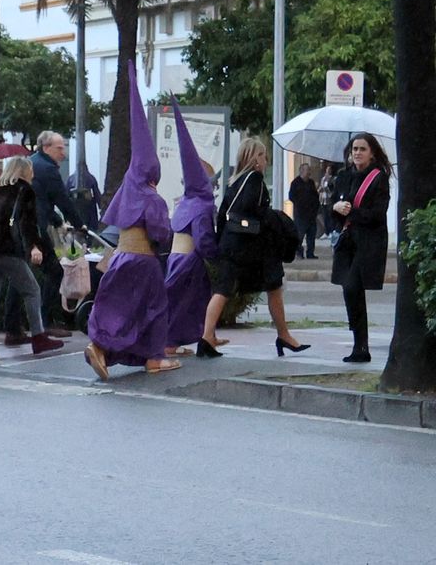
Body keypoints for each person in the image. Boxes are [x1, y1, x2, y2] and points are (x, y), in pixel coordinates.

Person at [84, 63, 179, 380]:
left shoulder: (126, 192)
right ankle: (153, 358)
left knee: (117, 306)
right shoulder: (152, 198)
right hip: (143, 261)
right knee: (154, 309)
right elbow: (161, 233)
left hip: (120, 258)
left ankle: (101, 346)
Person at [201, 138, 309, 357]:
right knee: (274, 286)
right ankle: (283, 335)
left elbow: (223, 215)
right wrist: (276, 219)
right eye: (262, 155)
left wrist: (221, 244)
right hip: (250, 248)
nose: (265, 160)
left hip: (231, 244)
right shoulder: (254, 178)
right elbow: (252, 209)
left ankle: (207, 336)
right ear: (254, 158)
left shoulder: (234, 181)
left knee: (223, 290)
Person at [0, 157, 63, 361]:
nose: (33, 173)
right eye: (31, 169)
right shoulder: (25, 191)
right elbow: (27, 223)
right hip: (6, 250)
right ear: (24, 171)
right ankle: (39, 337)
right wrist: (34, 247)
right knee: (33, 290)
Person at [14, 130, 85, 342]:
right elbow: (62, 199)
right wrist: (80, 224)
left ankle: (13, 327)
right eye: (59, 148)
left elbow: (42, 200)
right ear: (46, 148)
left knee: (19, 275)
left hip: (21, 225)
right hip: (35, 228)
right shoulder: (48, 169)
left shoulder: (32, 163)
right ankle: (44, 322)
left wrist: (57, 221)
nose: (63, 153)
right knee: (54, 271)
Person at [163, 100, 218, 358]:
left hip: (174, 259)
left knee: (175, 302)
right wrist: (215, 255)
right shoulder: (203, 205)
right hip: (190, 262)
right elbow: (204, 238)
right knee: (185, 305)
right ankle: (170, 343)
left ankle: (175, 342)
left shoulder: (185, 201)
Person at [331, 133, 391, 364]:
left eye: (362, 149)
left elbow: (378, 214)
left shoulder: (378, 178)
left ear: (372, 153)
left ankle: (361, 345)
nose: (357, 153)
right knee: (350, 291)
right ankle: (359, 344)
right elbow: (332, 209)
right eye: (354, 149)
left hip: (368, 243)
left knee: (352, 286)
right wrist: (336, 207)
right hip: (347, 241)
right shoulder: (344, 176)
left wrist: (351, 212)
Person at [290, 163, 320, 260]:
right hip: (300, 215)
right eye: (308, 170)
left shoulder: (311, 183)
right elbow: (291, 196)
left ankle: (310, 253)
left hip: (311, 214)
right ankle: (299, 252)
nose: (309, 172)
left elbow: (315, 196)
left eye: (309, 170)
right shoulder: (295, 183)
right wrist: (300, 204)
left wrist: (316, 207)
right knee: (299, 235)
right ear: (302, 171)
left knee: (311, 235)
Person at [66, 167, 102, 232]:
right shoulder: (91, 178)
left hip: (81, 208)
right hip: (87, 209)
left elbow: (66, 195)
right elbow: (97, 194)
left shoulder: (70, 179)